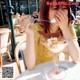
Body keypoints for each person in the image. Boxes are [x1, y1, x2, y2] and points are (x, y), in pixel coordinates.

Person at [19, 0, 80, 70]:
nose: (60, 12)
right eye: (55, 8)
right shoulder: (34, 29)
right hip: (41, 73)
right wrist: (30, 34)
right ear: (46, 12)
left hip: (62, 70)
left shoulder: (69, 27)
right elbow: (30, 66)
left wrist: (65, 29)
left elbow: (77, 59)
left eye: (64, 8)